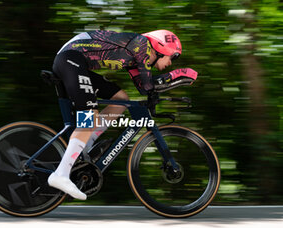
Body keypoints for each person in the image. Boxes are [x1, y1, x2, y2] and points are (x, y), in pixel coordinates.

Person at [48, 29, 193, 200]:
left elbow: (143, 86)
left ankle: (86, 144)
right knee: (89, 117)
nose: (171, 63)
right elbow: (148, 86)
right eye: (173, 57)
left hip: (75, 62)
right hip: (70, 59)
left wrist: (173, 81)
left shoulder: (138, 56)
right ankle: (61, 174)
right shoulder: (141, 44)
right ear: (162, 47)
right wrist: (180, 74)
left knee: (121, 99)